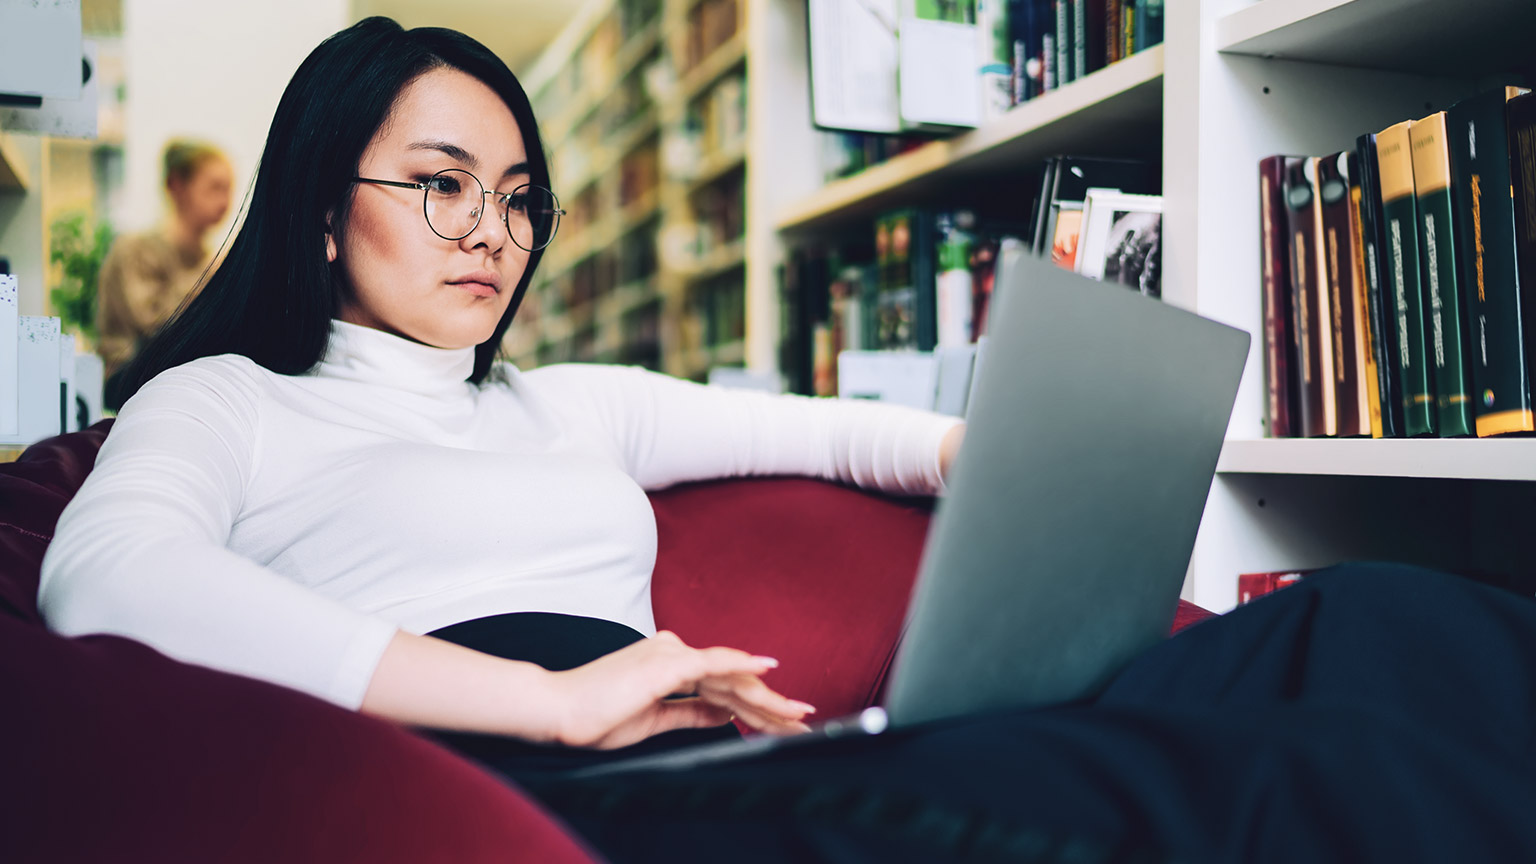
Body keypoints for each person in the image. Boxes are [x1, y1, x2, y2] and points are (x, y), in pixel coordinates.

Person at [34, 19, 1536, 864]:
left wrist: (1009, 460)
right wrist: (553, 705)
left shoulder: (566, 403)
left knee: (1366, 621)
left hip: (729, 762)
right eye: (440, 184)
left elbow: (853, 440)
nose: (491, 230)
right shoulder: (224, 399)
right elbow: (104, 587)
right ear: (316, 203)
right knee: (1238, 791)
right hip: (539, 797)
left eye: (514, 194)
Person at [97, 139, 233, 407]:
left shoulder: (213, 260)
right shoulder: (134, 251)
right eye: (215, 188)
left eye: (229, 189)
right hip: (130, 381)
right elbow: (158, 325)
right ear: (176, 186)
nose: (225, 201)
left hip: (182, 382)